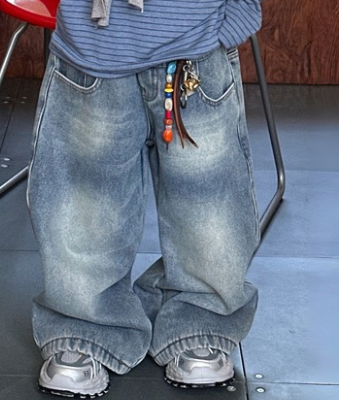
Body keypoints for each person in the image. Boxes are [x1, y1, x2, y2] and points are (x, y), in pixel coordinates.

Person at [27, 0, 262, 397]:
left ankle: (200, 317)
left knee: (208, 205)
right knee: (84, 205)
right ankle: (83, 325)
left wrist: (235, 17)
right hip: (93, 49)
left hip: (197, 45)